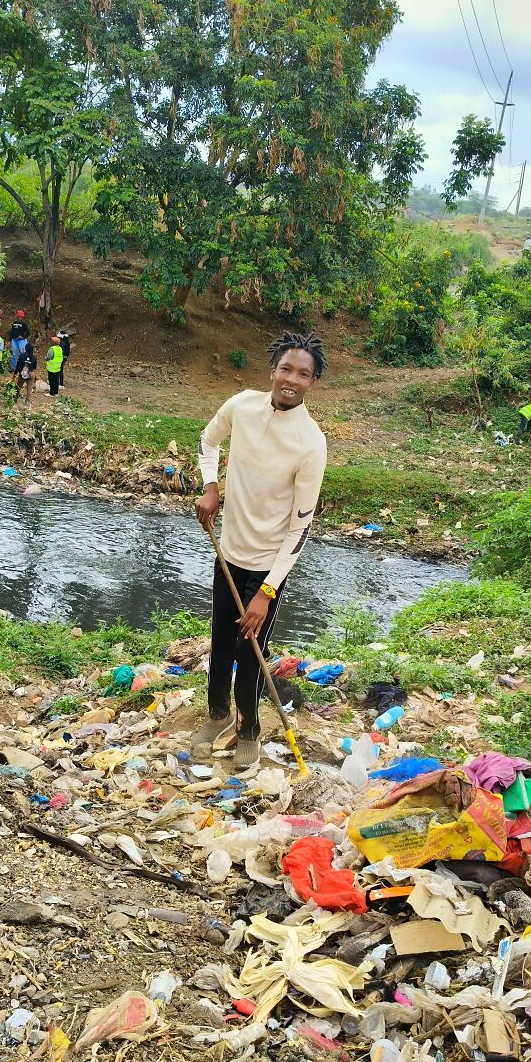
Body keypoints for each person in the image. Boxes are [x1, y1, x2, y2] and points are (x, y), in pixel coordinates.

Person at [193, 330, 328, 770]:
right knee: (220, 640)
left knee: (250, 656)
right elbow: (208, 440)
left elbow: (301, 529)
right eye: (286, 369)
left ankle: (248, 729)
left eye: (303, 374)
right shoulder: (242, 406)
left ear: (312, 382)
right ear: (273, 370)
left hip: (269, 564)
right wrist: (211, 487)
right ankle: (216, 716)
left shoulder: (310, 442)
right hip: (229, 551)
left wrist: (265, 593)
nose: (292, 379)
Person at [13, 342, 37, 406]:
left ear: (25, 348)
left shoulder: (22, 355)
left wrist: (15, 373)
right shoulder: (34, 357)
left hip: (23, 373)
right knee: (29, 388)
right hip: (31, 373)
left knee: (18, 387)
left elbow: (18, 366)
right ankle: (27, 402)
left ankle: (15, 399)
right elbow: (34, 367)